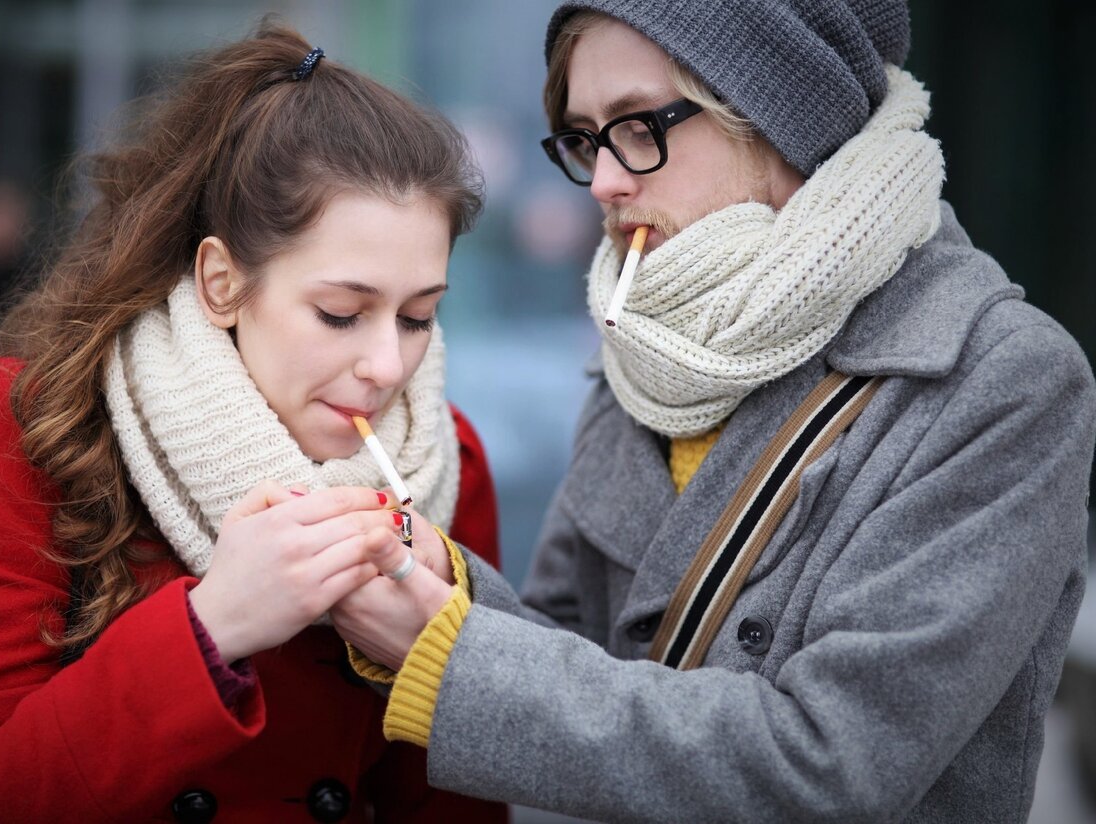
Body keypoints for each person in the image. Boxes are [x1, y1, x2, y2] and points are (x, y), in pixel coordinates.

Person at [331, 1, 1096, 821]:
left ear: (780, 115)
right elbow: (570, 650)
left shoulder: (1004, 379)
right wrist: (440, 592)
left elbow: (835, 765)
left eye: (637, 127)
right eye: (585, 139)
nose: (606, 181)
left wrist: (458, 659)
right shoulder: (656, 345)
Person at [0, 23, 507, 823]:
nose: (389, 367)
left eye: (418, 316)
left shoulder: (443, 458)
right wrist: (212, 624)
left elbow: (448, 806)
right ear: (222, 283)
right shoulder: (33, 422)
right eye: (341, 313)